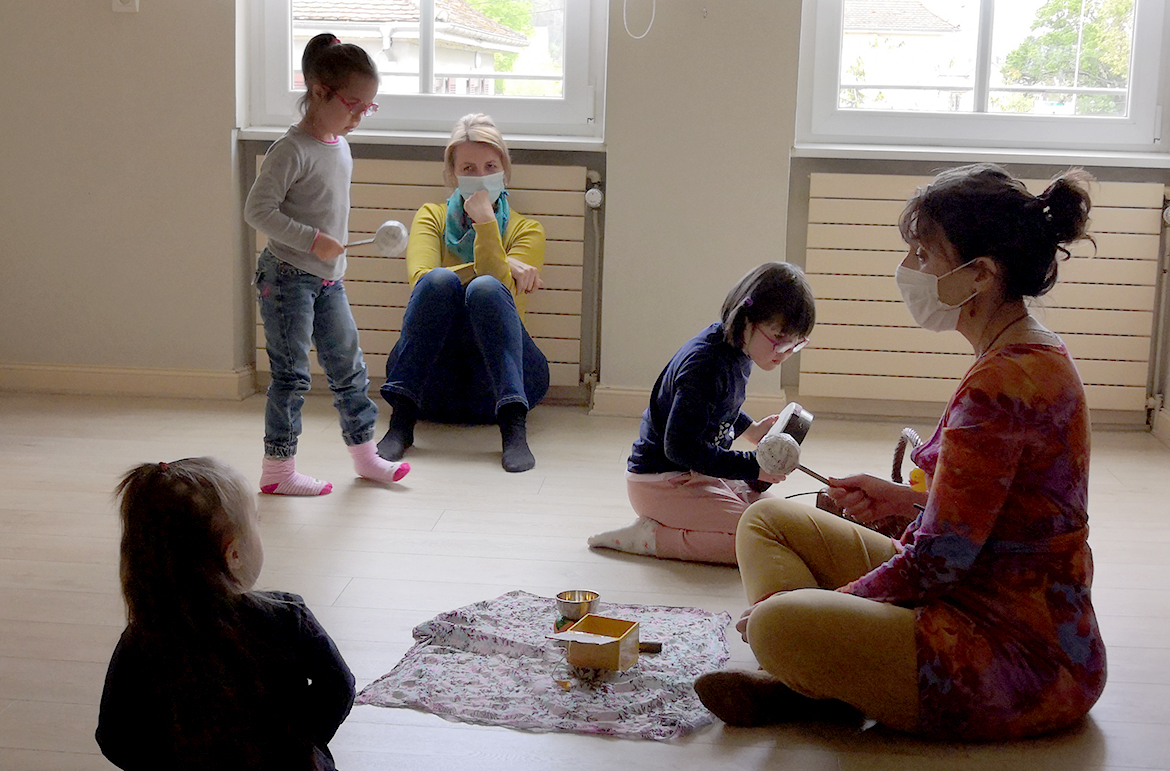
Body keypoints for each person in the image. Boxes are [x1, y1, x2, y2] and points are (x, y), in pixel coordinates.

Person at [694, 164, 1105, 741]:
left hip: (1015, 656)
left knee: (775, 624)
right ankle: (826, 677)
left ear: (980, 273)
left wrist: (834, 603)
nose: (909, 268)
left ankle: (813, 675)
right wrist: (900, 499)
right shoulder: (1025, 351)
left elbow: (937, 562)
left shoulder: (1003, 383)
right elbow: (992, 515)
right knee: (765, 521)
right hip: (970, 593)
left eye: (923, 254)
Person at [95, 458, 355, 770]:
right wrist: (300, 741)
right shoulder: (286, 616)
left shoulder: (141, 638)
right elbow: (339, 686)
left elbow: (114, 736)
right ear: (233, 554)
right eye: (257, 521)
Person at [245, 33, 409, 495]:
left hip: (327, 281)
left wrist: (325, 252)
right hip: (286, 278)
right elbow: (257, 211)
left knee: (349, 370)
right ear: (319, 92)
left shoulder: (340, 145)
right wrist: (312, 240)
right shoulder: (290, 150)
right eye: (354, 106)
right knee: (292, 376)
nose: (359, 117)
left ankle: (366, 457)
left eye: (368, 108)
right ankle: (278, 471)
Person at [588, 263, 816, 565]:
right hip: (661, 482)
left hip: (697, 473)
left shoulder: (737, 348)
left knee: (777, 520)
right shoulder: (704, 366)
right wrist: (751, 466)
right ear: (747, 319)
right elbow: (680, 448)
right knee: (755, 540)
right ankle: (650, 538)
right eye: (780, 340)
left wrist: (751, 430)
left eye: (795, 345)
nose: (785, 353)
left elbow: (720, 405)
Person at [377, 113, 549, 473]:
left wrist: (487, 225)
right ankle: (401, 423)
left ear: (504, 171)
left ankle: (513, 429)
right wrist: (506, 262)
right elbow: (421, 279)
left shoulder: (527, 230)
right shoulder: (432, 216)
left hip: (502, 384)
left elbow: (499, 285)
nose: (480, 176)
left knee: (488, 288)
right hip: (433, 386)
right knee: (439, 281)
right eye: (468, 168)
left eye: (490, 166)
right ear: (453, 175)